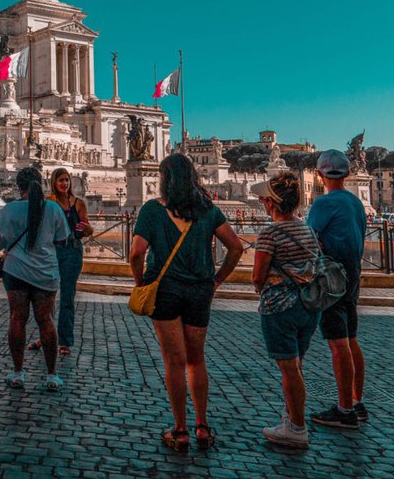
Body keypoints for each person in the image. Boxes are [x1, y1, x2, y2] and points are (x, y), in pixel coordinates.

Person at [128, 153, 243, 452]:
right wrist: (216, 280)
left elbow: (136, 253)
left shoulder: (152, 210)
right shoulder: (208, 210)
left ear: (164, 179)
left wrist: (140, 281)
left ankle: (180, 430)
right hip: (199, 292)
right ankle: (202, 426)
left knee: (174, 362)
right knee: (196, 360)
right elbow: (236, 247)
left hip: (164, 291)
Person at [251, 173, 321, 449]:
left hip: (281, 306)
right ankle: (292, 415)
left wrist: (262, 286)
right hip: (308, 305)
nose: (260, 201)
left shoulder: (270, 232)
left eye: (264, 198)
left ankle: (296, 428)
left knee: (289, 368)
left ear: (271, 203)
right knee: (297, 364)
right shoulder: (306, 228)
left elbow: (258, 274)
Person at [0, 166, 70, 391]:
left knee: (17, 318)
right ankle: (52, 375)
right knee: (45, 320)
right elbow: (62, 240)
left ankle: (17, 373)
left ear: (19, 187)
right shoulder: (53, 209)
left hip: (15, 272)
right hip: (45, 273)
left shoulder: (8, 210)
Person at [307, 149, 368, 429]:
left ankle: (344, 410)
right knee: (351, 338)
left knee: (337, 342)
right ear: (346, 174)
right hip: (353, 273)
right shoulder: (356, 203)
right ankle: (357, 402)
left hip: (332, 275)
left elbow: (310, 240)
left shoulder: (323, 204)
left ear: (320, 174)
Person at [29, 167, 93, 356]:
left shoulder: (79, 203)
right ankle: (45, 337)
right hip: (53, 251)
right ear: (54, 183)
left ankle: (65, 341)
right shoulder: (49, 203)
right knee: (46, 297)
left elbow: (88, 229)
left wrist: (87, 229)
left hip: (72, 252)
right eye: (61, 180)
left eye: (67, 180)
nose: (65, 183)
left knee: (67, 297)